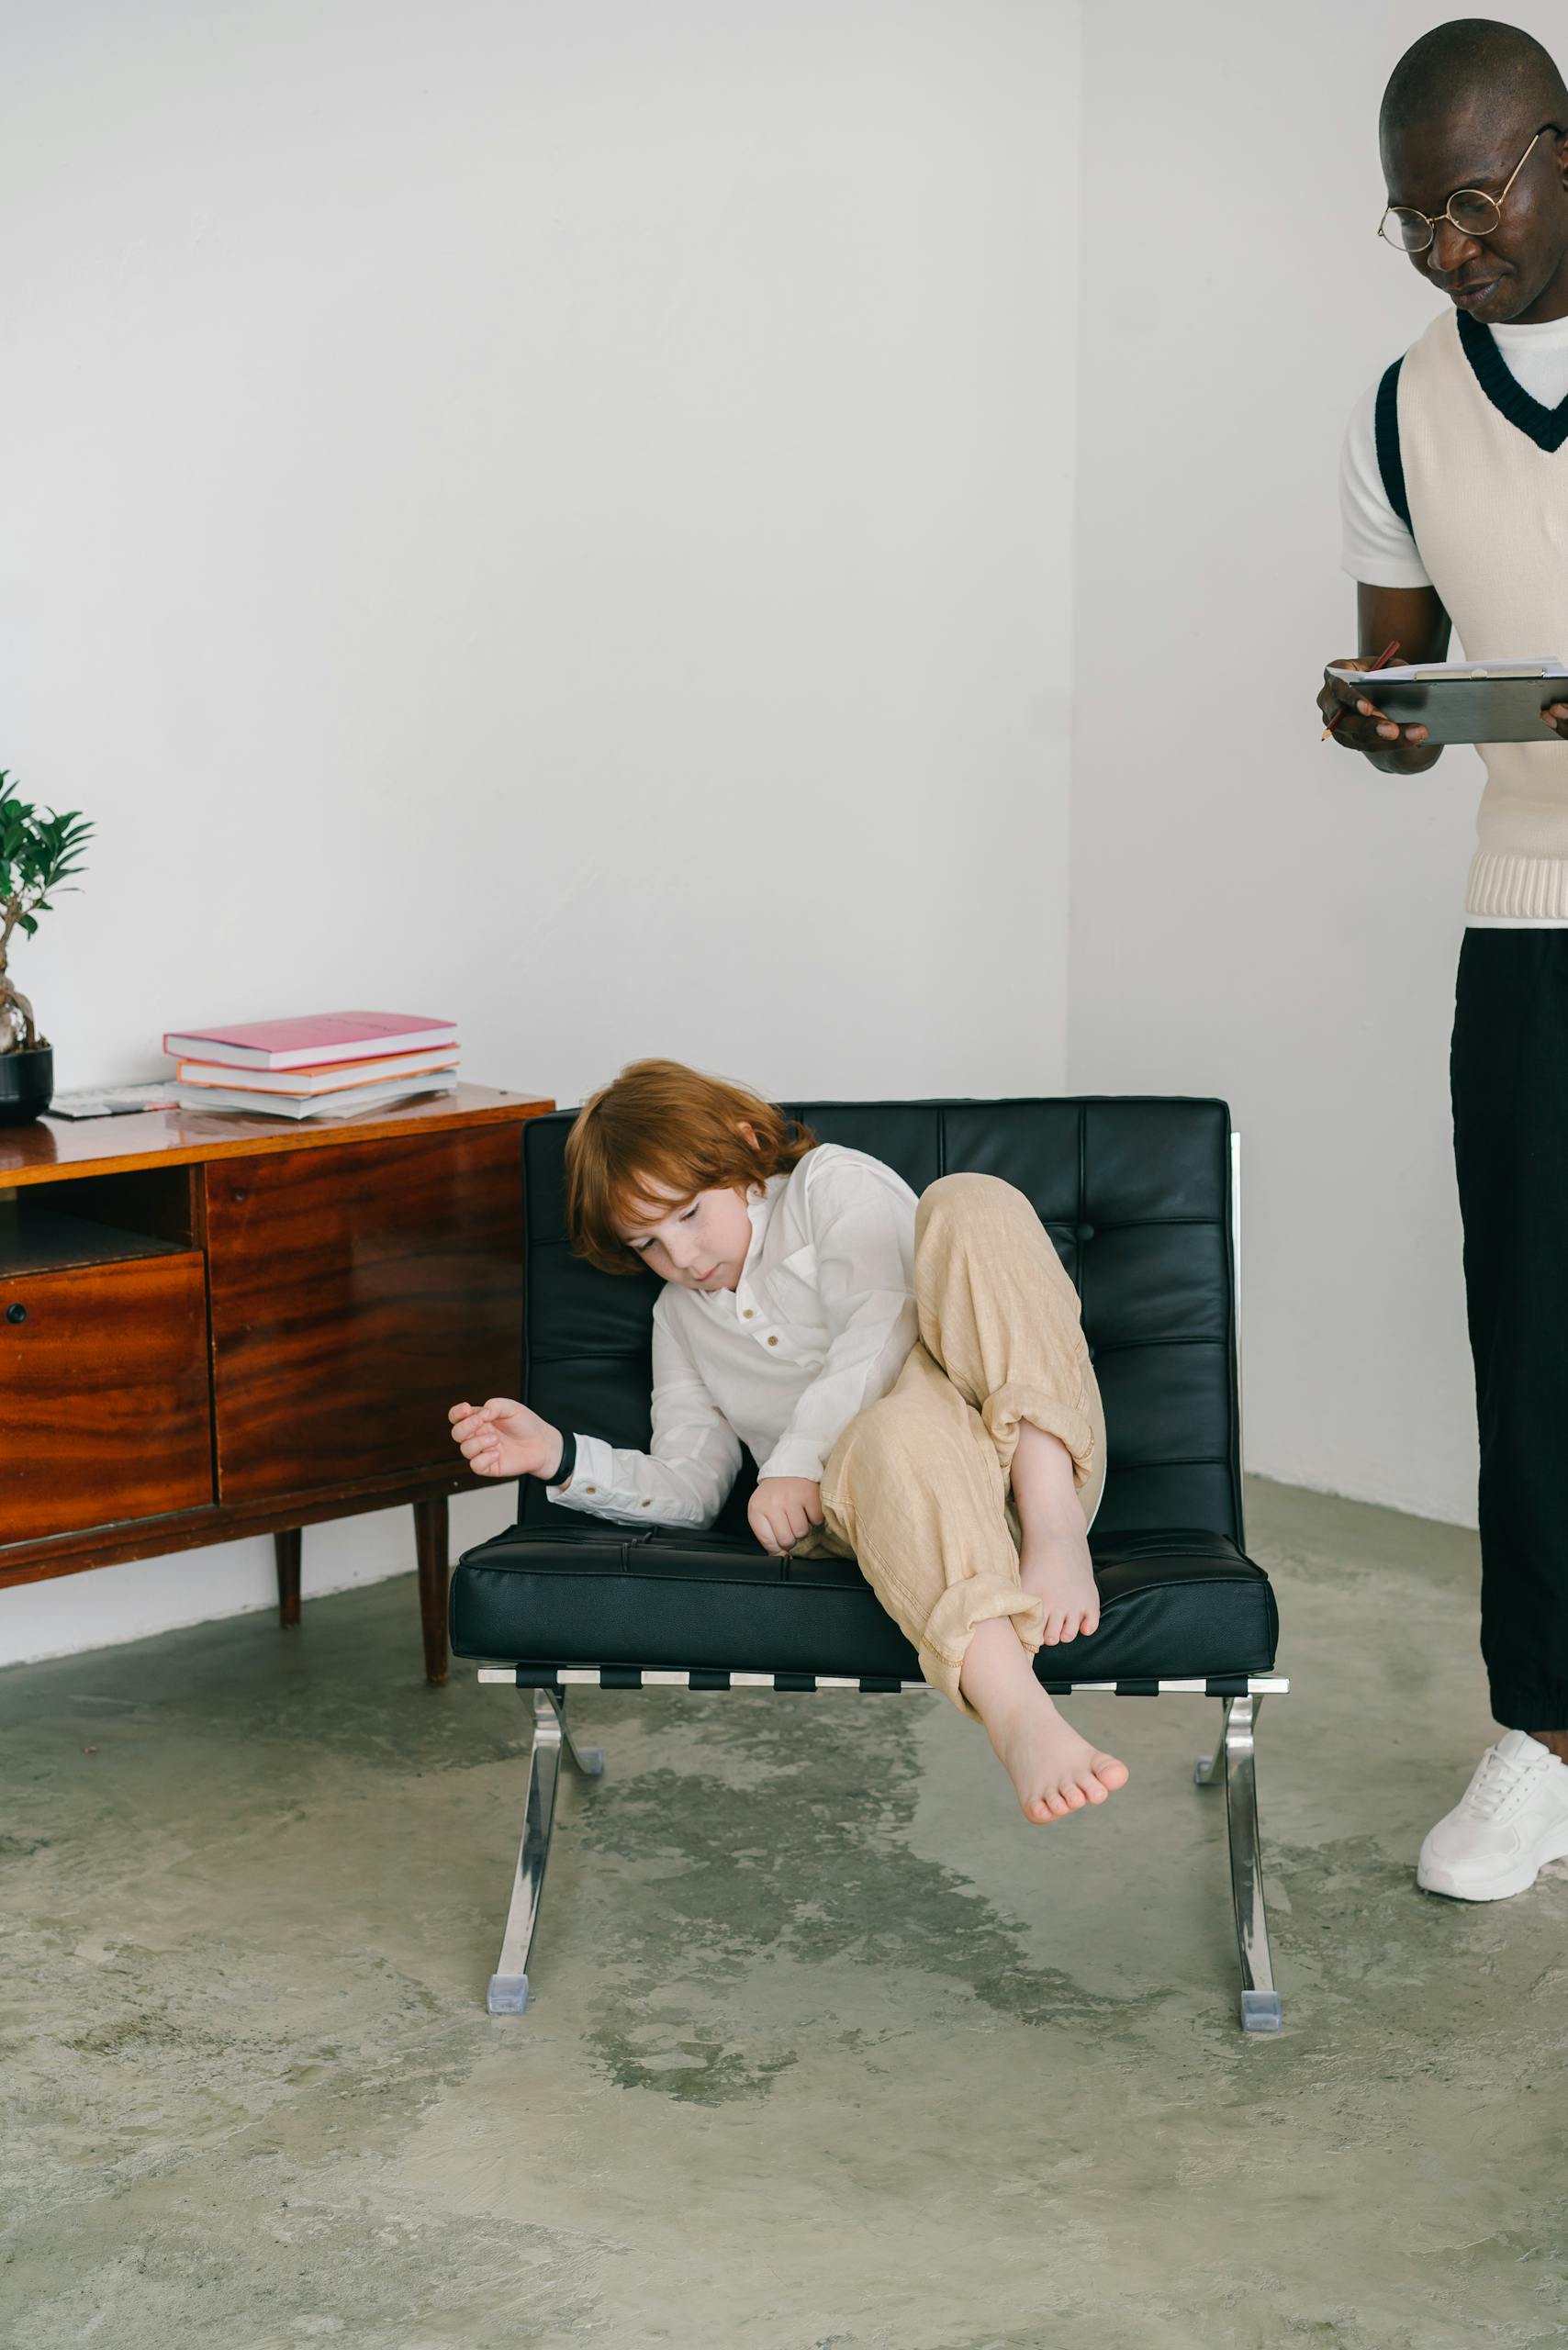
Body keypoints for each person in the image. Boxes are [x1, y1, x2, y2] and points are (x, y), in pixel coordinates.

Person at [449, 1058, 1126, 1826]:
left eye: (689, 1214)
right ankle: (1021, 1718)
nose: (680, 1258)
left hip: (1023, 1450)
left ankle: (1054, 1525)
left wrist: (796, 1462)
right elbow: (692, 1483)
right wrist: (559, 1456)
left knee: (971, 1200)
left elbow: (887, 1320)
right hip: (898, 1509)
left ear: (743, 1146)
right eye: (646, 1244)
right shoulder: (679, 1319)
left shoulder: (827, 1186)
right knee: (890, 1431)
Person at [1319, 19, 1568, 1900]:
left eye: (1469, 205)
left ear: (1558, 156)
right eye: (1410, 220)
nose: (1442, 250)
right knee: (1534, 1340)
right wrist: (1371, 715)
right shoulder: (1398, 405)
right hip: (1529, 908)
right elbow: (1397, 664)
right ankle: (1541, 1739)